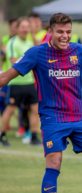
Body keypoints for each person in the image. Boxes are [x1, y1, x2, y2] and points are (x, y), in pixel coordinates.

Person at [0, 13, 82, 193]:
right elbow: (4, 77)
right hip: (53, 118)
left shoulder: (79, 51)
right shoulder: (36, 53)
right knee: (55, 163)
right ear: (49, 32)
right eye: (60, 32)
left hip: (79, 117)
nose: (65, 36)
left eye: (68, 32)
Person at [0, 17, 41, 146]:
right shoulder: (12, 43)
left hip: (29, 82)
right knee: (10, 109)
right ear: (17, 28)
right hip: (16, 83)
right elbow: (13, 62)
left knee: (35, 109)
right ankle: (2, 135)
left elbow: (38, 56)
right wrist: (31, 66)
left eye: (27, 27)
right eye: (22, 27)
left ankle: (33, 137)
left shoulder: (29, 43)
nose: (25, 29)